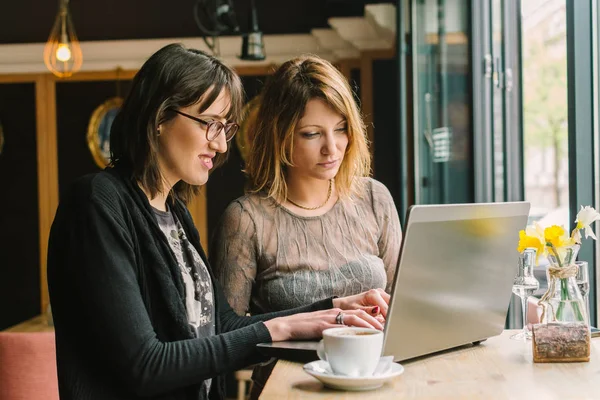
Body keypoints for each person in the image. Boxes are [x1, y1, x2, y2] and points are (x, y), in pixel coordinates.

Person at [46, 44, 389, 400]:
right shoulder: (96, 203)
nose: (221, 145)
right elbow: (144, 365)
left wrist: (332, 309)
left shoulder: (174, 213)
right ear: (159, 117)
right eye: (210, 124)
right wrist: (280, 328)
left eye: (225, 128)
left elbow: (222, 326)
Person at [210, 55, 402, 318]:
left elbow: (401, 308)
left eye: (341, 128)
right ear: (280, 136)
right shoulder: (246, 220)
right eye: (312, 134)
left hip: (370, 358)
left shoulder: (374, 197)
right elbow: (226, 335)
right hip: (290, 361)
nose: (332, 148)